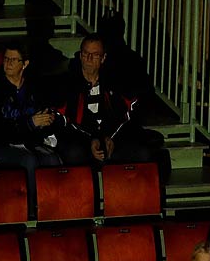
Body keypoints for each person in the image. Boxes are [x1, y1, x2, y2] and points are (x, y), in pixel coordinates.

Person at [54, 34, 159, 165]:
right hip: (81, 140)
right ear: (80, 55)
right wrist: (92, 139)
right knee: (73, 154)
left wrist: (111, 138)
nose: (89, 58)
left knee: (142, 153)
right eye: (86, 53)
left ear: (103, 58)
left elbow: (129, 114)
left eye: (95, 54)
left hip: (111, 137)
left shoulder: (114, 82)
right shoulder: (67, 83)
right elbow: (64, 120)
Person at [0, 45, 62, 170]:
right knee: (29, 160)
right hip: (0, 145)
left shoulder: (34, 87)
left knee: (52, 158)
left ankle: (49, 190)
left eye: (13, 59)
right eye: (6, 59)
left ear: (25, 64)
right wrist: (30, 124)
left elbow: (44, 115)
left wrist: (47, 122)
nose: (8, 63)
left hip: (29, 142)